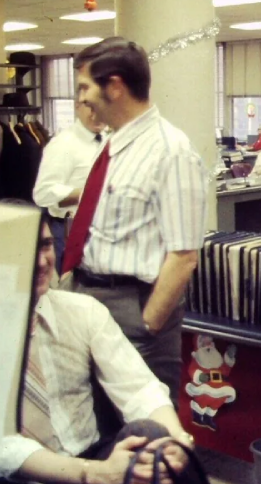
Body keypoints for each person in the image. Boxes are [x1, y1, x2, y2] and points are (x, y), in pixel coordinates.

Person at [0, 202, 196, 484]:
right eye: (23, 248)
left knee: (151, 436)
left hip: (98, 457)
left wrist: (175, 440)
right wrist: (95, 476)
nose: (41, 261)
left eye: (46, 245)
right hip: (32, 483)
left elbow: (138, 387)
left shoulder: (81, 310)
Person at [61, 36, 209, 405]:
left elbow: (184, 255)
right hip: (88, 298)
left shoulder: (170, 151)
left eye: (84, 87)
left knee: (142, 432)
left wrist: (148, 325)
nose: (80, 99)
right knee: (96, 421)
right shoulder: (114, 146)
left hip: (132, 309)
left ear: (115, 86)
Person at [32, 100, 107, 274]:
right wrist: (89, 195)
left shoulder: (107, 140)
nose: (98, 113)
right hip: (70, 232)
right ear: (77, 106)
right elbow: (42, 193)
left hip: (99, 233)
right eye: (91, 106)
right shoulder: (63, 144)